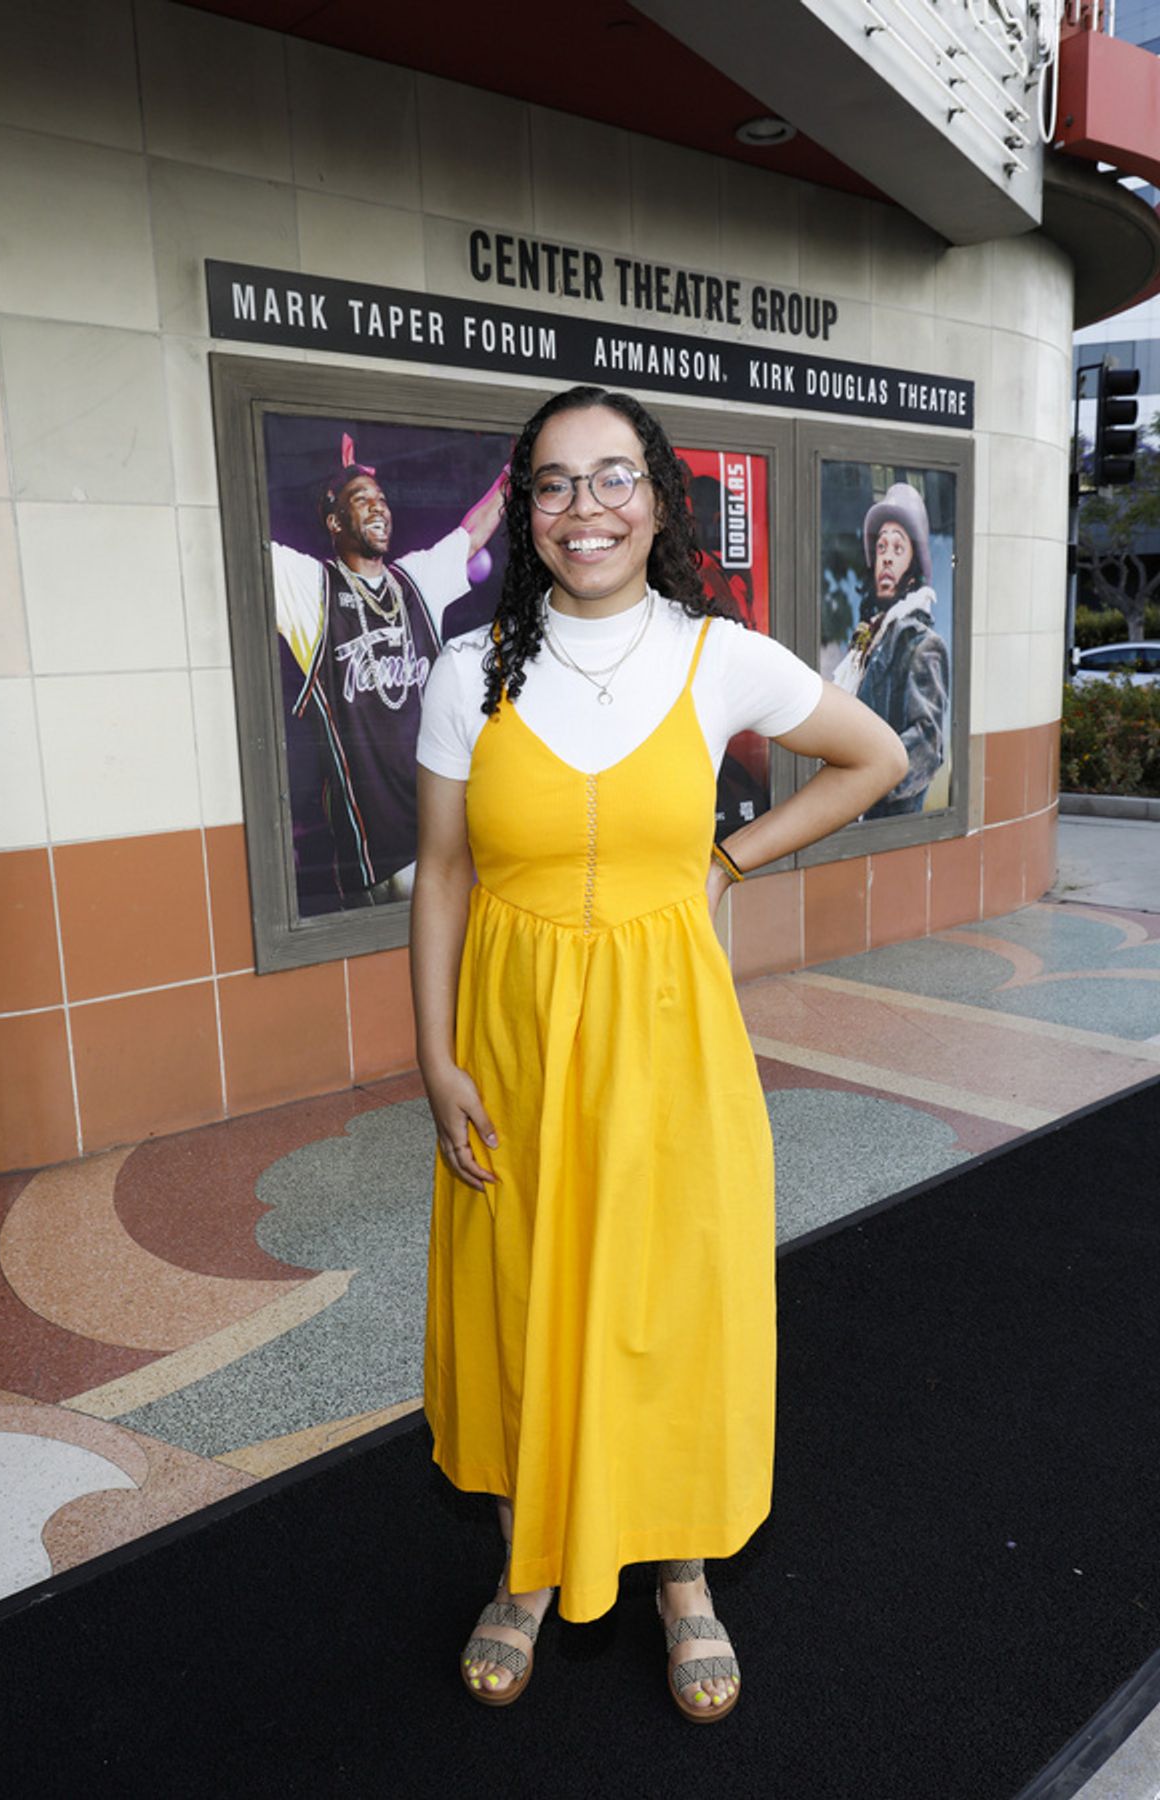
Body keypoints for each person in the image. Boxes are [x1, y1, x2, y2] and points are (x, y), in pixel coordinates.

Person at [411, 386, 906, 1719]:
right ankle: (527, 1564)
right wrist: (434, 1058)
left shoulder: (716, 656)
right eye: (557, 485)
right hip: (509, 1041)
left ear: (660, 500)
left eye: (613, 478)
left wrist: (730, 860)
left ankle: (681, 1570)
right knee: (523, 1294)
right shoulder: (468, 672)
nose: (587, 510)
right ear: (526, 511)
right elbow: (443, 877)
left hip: (669, 1042)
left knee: (665, 1296)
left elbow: (874, 754)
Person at [271, 459, 507, 905]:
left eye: (382, 499)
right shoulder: (311, 589)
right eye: (362, 500)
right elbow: (244, 546)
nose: (379, 508)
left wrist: (513, 475)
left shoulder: (415, 580)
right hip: (377, 858)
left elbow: (474, 532)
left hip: (446, 840)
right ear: (334, 521)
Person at [832, 480, 949, 819]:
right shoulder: (871, 637)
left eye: (898, 549)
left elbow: (927, 745)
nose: (886, 557)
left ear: (913, 571)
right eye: (881, 547)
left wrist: (858, 786)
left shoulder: (922, 645)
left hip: (884, 821)